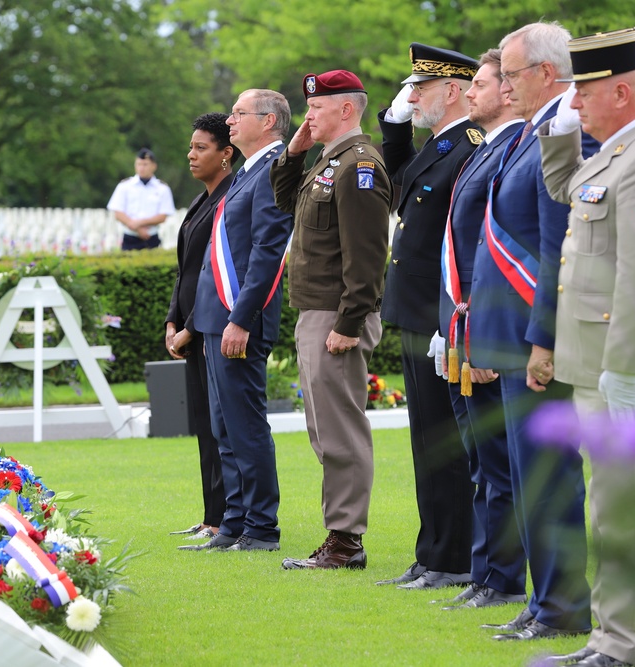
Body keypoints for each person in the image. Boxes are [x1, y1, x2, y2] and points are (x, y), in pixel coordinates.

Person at [538, 27, 635, 667]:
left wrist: (621, 370)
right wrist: (561, 127)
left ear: (622, 92)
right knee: (608, 506)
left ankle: (629, 648)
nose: (577, 103)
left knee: (624, 509)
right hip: (600, 365)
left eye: (586, 92)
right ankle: (609, 637)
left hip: (630, 368)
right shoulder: (612, 152)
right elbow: (564, 188)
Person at [467, 21, 596, 641]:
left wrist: (544, 337)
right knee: (524, 477)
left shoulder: (564, 130)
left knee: (547, 476)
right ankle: (544, 600)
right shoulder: (531, 132)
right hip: (512, 335)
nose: (503, 83)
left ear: (546, 72)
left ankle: (563, 608)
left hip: (536, 338)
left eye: (511, 73)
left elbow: (556, 247)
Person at [270, 70, 390, 570]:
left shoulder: (358, 164)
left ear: (347, 109)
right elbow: (283, 203)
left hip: (336, 315)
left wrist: (349, 322)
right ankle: (339, 536)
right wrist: (294, 152)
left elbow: (366, 255)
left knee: (340, 431)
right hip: (317, 311)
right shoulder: (327, 161)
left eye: (317, 107)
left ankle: (346, 542)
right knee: (324, 430)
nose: (308, 115)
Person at [376, 43, 480, 590]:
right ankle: (432, 552)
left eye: (420, 89)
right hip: (417, 310)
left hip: (441, 312)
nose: (411, 97)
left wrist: (449, 317)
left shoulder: (468, 145)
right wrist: (395, 127)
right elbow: (401, 190)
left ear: (453, 91)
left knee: (445, 441)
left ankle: (452, 557)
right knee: (425, 438)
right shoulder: (439, 144)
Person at [433, 50, 528, 611]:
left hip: (483, 326)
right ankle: (484, 572)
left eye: (481, 84)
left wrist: (483, 334)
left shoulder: (511, 150)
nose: (469, 93)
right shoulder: (485, 149)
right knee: (478, 460)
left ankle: (504, 578)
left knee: (496, 461)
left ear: (508, 93)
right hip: (460, 324)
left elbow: (495, 250)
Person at [181, 89, 293, 553]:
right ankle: (233, 523)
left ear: (267, 122)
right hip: (215, 318)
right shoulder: (247, 170)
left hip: (238, 320)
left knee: (245, 426)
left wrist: (242, 318)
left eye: (239, 113)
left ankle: (261, 526)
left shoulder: (272, 169)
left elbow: (269, 250)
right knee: (223, 428)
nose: (230, 120)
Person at [165, 113, 235, 544]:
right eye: (191, 147)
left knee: (219, 427)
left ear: (226, 154)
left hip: (211, 328)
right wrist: (173, 318)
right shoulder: (201, 199)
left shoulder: (229, 198)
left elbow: (217, 274)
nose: (191, 155)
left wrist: (190, 327)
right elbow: (186, 270)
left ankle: (225, 517)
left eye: (201, 148)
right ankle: (212, 515)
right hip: (190, 328)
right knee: (202, 426)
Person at [106, 148, 176, 250]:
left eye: (145, 164)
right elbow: (118, 213)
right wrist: (138, 229)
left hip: (151, 237)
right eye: (139, 164)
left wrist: (139, 223)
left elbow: (162, 216)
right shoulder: (125, 186)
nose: (141, 168)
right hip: (130, 237)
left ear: (154, 166)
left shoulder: (162, 188)